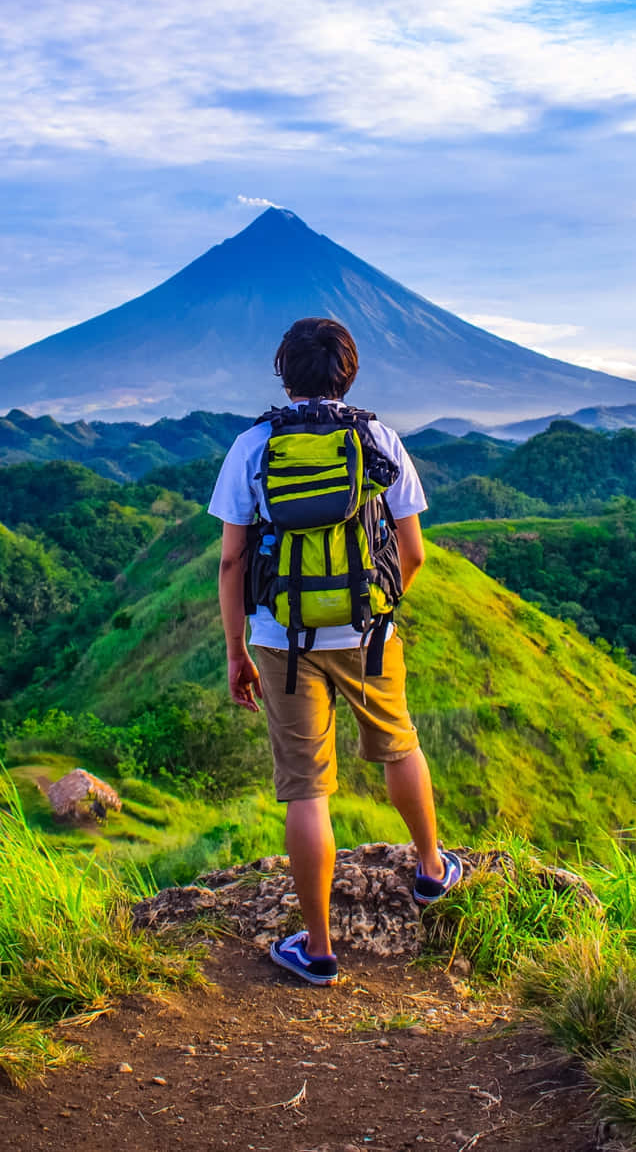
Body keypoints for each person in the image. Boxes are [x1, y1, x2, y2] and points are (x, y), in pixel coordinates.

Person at [208, 316, 462, 986]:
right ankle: (432, 871)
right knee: (400, 744)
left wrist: (237, 650)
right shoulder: (377, 437)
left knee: (306, 789)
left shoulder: (253, 444)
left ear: (283, 371)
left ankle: (319, 950)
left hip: (281, 639)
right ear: (349, 370)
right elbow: (413, 551)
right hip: (369, 633)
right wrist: (378, 609)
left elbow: (233, 562)